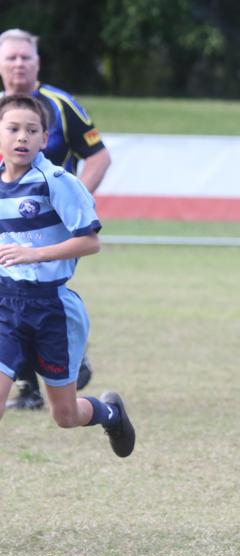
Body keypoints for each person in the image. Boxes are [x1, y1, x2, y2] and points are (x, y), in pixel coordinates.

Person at [0, 94, 134, 456]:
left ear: (45, 138)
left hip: (52, 309)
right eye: (12, 129)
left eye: (32, 130)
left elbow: (90, 242)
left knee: (65, 414)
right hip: (5, 305)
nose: (22, 138)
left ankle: (110, 412)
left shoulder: (57, 180)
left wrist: (35, 254)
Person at [0, 28, 112, 411]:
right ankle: (30, 384)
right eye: (11, 57)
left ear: (37, 63)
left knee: (40, 291)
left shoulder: (61, 105)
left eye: (24, 57)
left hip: (53, 230)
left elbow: (98, 156)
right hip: (9, 228)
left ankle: (64, 357)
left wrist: (75, 207)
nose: (18, 64)